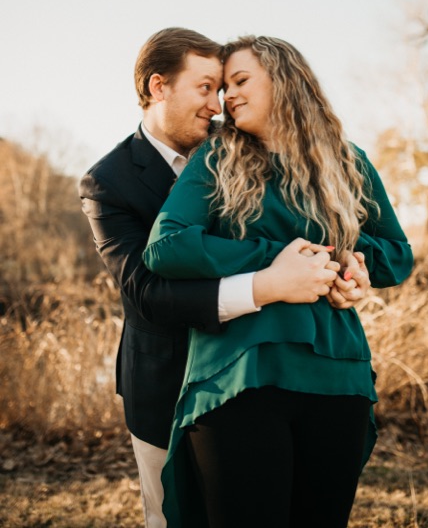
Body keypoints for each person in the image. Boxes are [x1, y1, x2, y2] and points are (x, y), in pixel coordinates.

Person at [78, 27, 366, 528]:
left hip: (252, 377)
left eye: (224, 88)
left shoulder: (242, 147)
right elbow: (146, 292)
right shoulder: (109, 181)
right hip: (164, 379)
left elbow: (318, 227)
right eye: (205, 87)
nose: (219, 104)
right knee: (169, 517)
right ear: (158, 87)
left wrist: (345, 265)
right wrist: (270, 283)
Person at [142, 34, 413, 527]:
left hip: (339, 379)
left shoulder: (348, 160)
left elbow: (396, 254)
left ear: (285, 80)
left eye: (240, 81)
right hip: (240, 378)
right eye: (224, 87)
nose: (228, 98)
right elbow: (166, 246)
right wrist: (277, 265)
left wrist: (350, 263)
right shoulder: (217, 159)